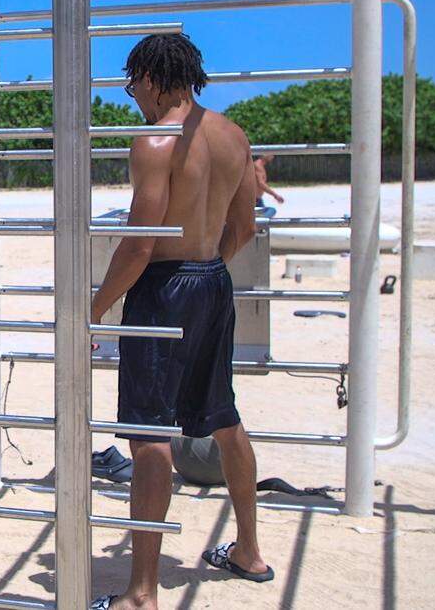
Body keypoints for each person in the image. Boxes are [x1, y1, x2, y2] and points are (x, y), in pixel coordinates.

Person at [89, 34, 269, 610]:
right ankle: (248, 551)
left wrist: (95, 309)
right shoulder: (232, 135)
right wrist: (204, 269)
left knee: (149, 437)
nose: (130, 95)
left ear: (152, 76)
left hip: (165, 289)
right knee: (223, 418)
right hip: (214, 280)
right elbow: (244, 229)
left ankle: (141, 593)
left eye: (131, 82)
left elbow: (141, 243)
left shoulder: (156, 140)